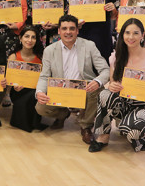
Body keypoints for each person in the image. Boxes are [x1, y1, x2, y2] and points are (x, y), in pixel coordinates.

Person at [89, 18, 145, 152]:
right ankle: (103, 136)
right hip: (125, 100)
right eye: (127, 33)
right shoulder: (116, 57)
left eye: (135, 33)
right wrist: (112, 86)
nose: (131, 37)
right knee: (104, 94)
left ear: (142, 35)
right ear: (122, 35)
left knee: (130, 131)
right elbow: (112, 83)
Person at [35, 15, 109, 144]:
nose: (68, 32)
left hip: (85, 90)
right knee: (40, 108)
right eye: (64, 28)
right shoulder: (49, 50)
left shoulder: (89, 46)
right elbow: (44, 76)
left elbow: (105, 70)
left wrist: (97, 81)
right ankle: (62, 114)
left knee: (99, 90)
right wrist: (40, 92)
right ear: (59, 31)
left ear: (77, 30)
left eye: (71, 28)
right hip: (61, 92)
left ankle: (85, 126)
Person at [8, 25, 47, 132]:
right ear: (20, 38)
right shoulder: (13, 57)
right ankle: (29, 123)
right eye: (26, 36)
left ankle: (34, 122)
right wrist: (14, 86)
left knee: (35, 93)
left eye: (33, 37)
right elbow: (10, 78)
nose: (30, 40)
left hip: (34, 89)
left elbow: (43, 78)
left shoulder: (40, 58)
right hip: (17, 90)